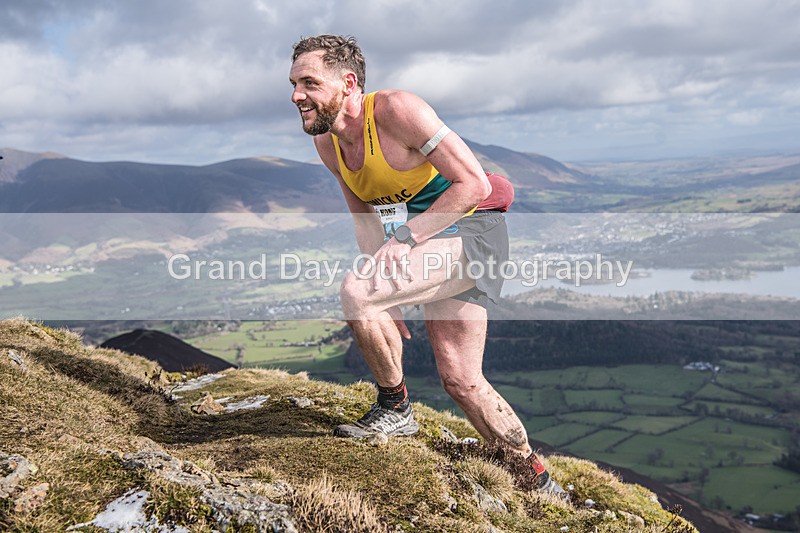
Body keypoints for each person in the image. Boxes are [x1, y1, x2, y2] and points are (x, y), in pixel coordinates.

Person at [289, 34, 567, 496]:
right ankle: (538, 481)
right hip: (430, 243)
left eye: (309, 83)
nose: (296, 95)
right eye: (294, 83)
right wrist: (386, 295)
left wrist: (404, 241)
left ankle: (395, 409)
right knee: (461, 379)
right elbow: (364, 218)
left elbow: (474, 185)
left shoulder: (399, 111)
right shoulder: (330, 144)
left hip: (474, 232)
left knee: (356, 290)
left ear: (349, 81)